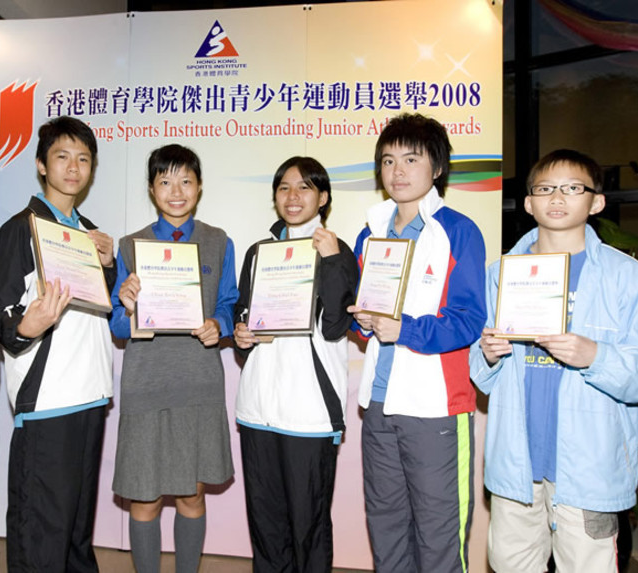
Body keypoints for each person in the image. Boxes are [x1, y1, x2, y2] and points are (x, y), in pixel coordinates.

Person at [470, 149, 638, 572]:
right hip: (517, 467)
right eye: (545, 188)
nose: (557, 197)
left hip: (589, 470)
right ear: (528, 202)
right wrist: (489, 354)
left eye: (573, 188)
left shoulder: (624, 276)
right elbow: (483, 375)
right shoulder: (504, 273)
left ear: (596, 202)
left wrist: (596, 357)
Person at [348, 113, 486, 572]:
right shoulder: (370, 234)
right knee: (386, 529)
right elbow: (363, 320)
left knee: (440, 536)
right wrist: (364, 323)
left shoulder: (458, 231)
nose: (398, 171)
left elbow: (468, 321)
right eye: (388, 160)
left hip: (436, 408)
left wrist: (405, 328)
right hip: (379, 405)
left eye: (411, 158)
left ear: (438, 167)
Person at [0, 116, 116, 572]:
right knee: (41, 530)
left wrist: (110, 266)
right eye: (62, 156)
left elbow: (103, 311)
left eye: (84, 159)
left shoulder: (89, 231)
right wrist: (28, 324)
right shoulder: (20, 229)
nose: (73, 167)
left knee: (77, 531)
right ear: (42, 165)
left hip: (91, 393)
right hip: (48, 399)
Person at [110, 143, 238, 573]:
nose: (176, 190)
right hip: (146, 384)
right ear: (151, 189)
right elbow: (116, 326)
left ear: (199, 187)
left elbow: (229, 303)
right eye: (165, 181)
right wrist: (128, 308)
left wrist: (218, 325)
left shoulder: (219, 242)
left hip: (198, 383)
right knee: (144, 497)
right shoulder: (131, 246)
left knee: (191, 493)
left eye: (185, 180)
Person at [233, 156, 358, 572]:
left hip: (308, 414)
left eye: (304, 187)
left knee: (309, 528)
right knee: (267, 529)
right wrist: (242, 334)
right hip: (257, 410)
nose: (293, 196)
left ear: (322, 197)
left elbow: (338, 326)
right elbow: (244, 318)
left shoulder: (338, 253)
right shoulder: (259, 253)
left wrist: (334, 261)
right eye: (285, 188)